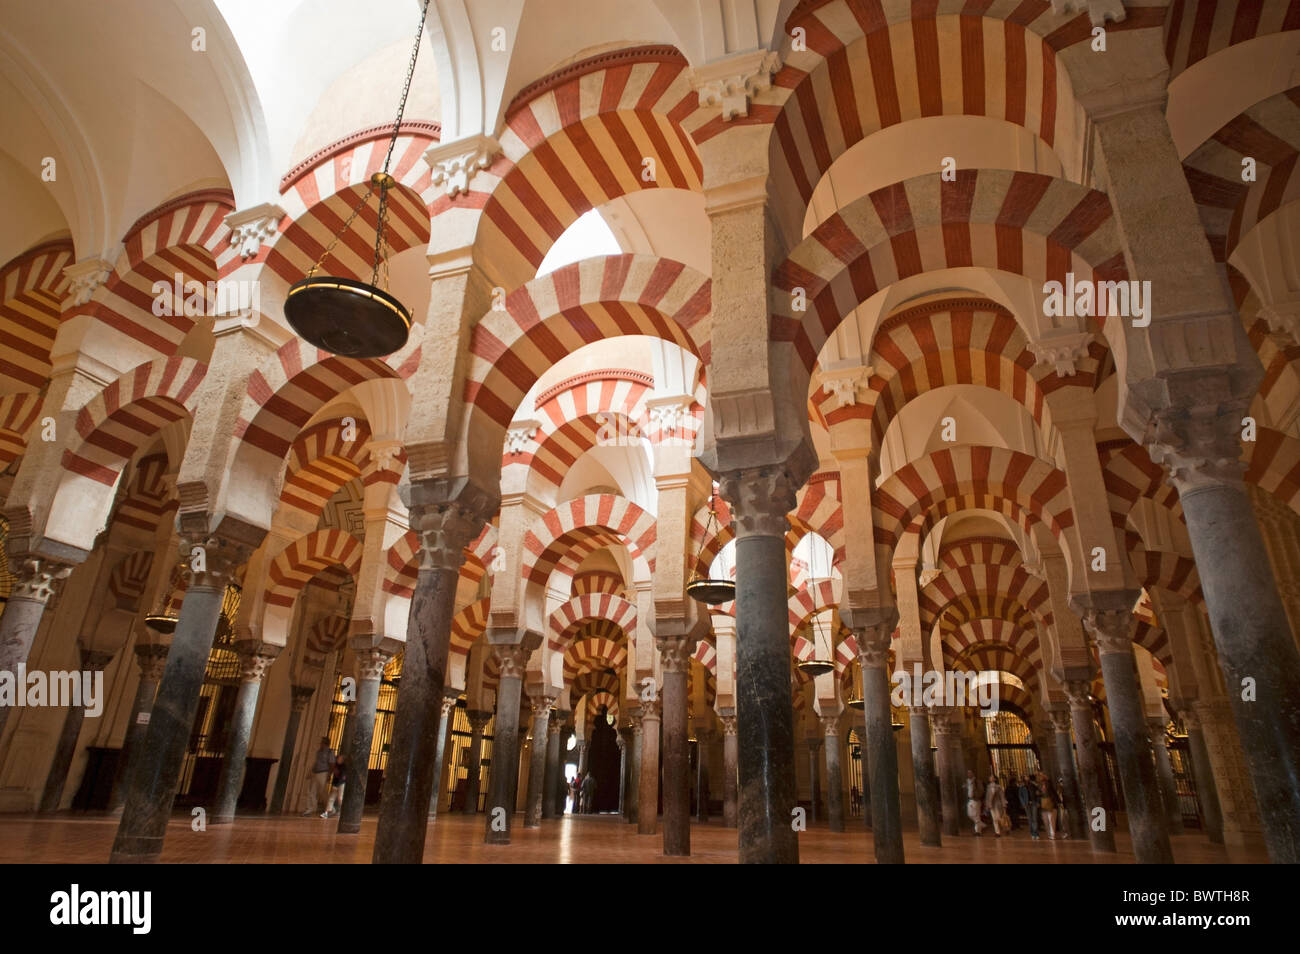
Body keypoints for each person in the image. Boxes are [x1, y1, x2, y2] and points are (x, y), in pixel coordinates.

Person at [302, 736, 334, 815]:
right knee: (311, 791)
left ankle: (331, 808)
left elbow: (332, 764)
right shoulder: (318, 752)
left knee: (322, 792)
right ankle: (310, 808)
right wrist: (311, 772)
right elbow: (316, 763)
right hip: (316, 773)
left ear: (325, 743)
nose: (320, 744)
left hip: (324, 773)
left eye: (321, 742)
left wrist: (329, 774)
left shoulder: (330, 752)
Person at [1020, 773, 1040, 839]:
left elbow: (1037, 793)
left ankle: (1036, 833)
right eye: (1025, 776)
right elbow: (1020, 796)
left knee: (1035, 818)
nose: (1027, 778)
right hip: (1027, 804)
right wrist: (1023, 804)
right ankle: (1032, 833)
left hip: (1034, 803)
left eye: (1027, 776)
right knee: (1030, 819)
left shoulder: (1033, 785)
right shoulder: (1022, 786)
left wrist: (1037, 801)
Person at [1038, 772, 1057, 840]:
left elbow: (1052, 792)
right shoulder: (1040, 785)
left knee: (1051, 819)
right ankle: (1050, 833)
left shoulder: (1048, 784)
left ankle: (1052, 834)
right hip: (1044, 802)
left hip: (1049, 802)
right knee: (1047, 820)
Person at [964, 769, 983, 835]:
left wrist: (977, 796)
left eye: (970, 773)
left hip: (975, 800)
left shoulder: (977, 781)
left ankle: (978, 831)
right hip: (969, 800)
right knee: (970, 814)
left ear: (973, 773)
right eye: (968, 773)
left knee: (976, 815)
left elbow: (981, 790)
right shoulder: (967, 781)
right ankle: (981, 824)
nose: (968, 774)